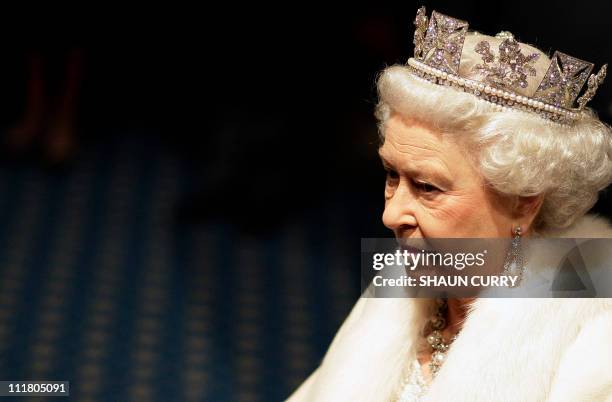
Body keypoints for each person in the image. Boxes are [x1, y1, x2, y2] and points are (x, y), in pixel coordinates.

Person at [287, 7, 612, 402]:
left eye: (427, 187)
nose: (390, 215)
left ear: (524, 202)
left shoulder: (595, 343)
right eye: (392, 175)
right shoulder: (407, 279)